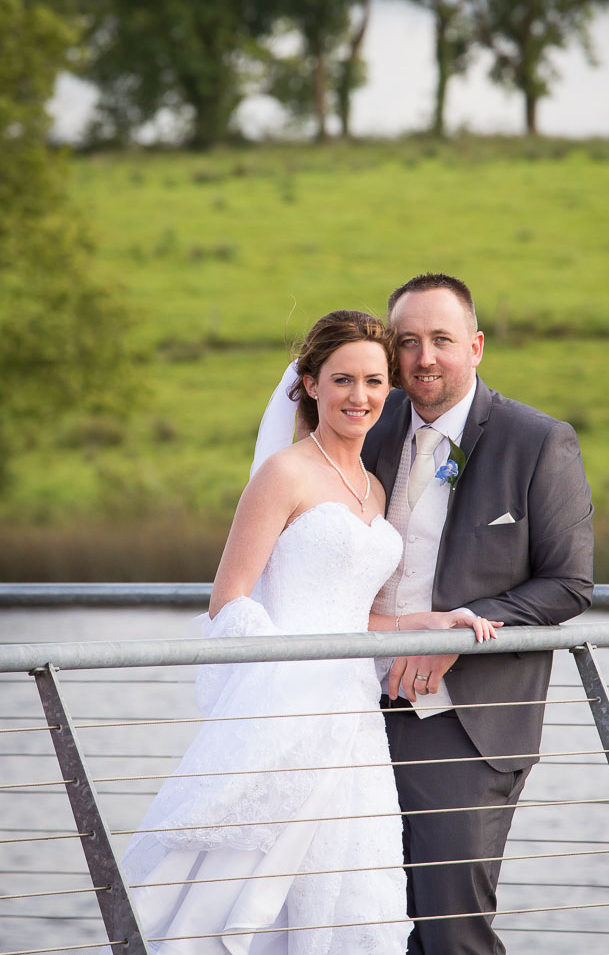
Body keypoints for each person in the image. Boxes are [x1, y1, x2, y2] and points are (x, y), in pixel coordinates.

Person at [112, 309, 497, 955]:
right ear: (311, 384)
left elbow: (358, 619)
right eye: (343, 380)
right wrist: (280, 695)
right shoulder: (284, 474)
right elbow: (229, 599)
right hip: (290, 708)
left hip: (355, 720)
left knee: (349, 886)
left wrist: (436, 621)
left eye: (374, 382)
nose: (360, 397)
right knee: (236, 884)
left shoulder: (374, 490)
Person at [362, 273, 594, 955]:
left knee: (451, 933)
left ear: (476, 345)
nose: (424, 358)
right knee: (367, 922)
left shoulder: (537, 441)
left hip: (465, 726)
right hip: (352, 714)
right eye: (407, 342)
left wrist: (462, 628)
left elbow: (570, 582)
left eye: (441, 340)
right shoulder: (369, 427)